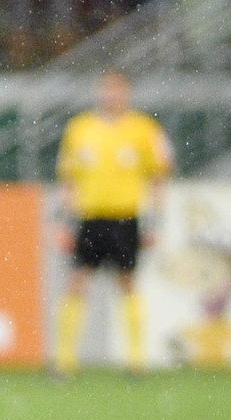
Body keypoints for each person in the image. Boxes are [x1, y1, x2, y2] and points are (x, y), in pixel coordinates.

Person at [54, 69, 174, 376]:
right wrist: (62, 222)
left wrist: (155, 221)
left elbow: (158, 175)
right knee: (77, 283)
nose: (111, 96)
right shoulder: (80, 128)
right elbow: (68, 180)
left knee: (128, 283)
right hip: (90, 217)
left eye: (117, 90)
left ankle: (136, 361)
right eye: (106, 90)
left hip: (125, 218)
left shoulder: (143, 129)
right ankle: (65, 362)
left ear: (127, 94)